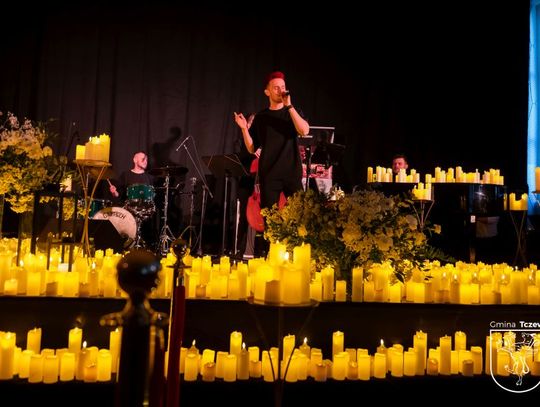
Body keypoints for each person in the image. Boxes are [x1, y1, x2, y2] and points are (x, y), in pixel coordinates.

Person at [234, 71, 309, 210]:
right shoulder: (261, 117)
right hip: (269, 174)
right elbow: (251, 148)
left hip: (292, 173)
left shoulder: (292, 112)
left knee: (301, 215)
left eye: (283, 87)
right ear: (267, 92)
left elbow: (304, 131)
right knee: (270, 218)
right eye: (276, 88)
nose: (281, 91)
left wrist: (289, 106)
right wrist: (244, 129)